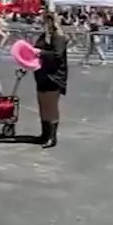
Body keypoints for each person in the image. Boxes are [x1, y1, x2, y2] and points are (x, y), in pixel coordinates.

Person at [33, 13, 68, 148]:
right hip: (41, 73)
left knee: (51, 106)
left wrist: (40, 53)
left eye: (46, 21)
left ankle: (52, 137)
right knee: (42, 105)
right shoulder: (44, 36)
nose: (44, 23)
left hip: (54, 75)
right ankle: (44, 134)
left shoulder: (58, 37)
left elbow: (57, 55)